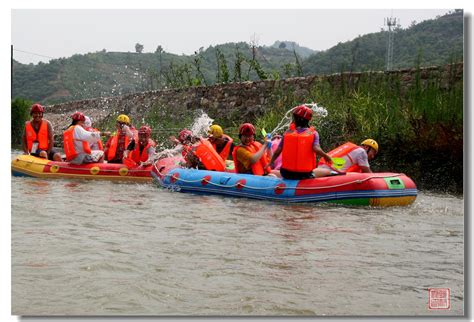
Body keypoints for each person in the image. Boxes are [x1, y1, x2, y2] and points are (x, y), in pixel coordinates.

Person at [268, 105, 332, 179]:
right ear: (308, 120)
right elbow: (316, 149)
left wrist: (271, 162)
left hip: (286, 173)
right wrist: (326, 156)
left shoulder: (287, 132)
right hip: (305, 174)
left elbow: (278, 151)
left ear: (295, 119)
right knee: (325, 171)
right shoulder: (313, 133)